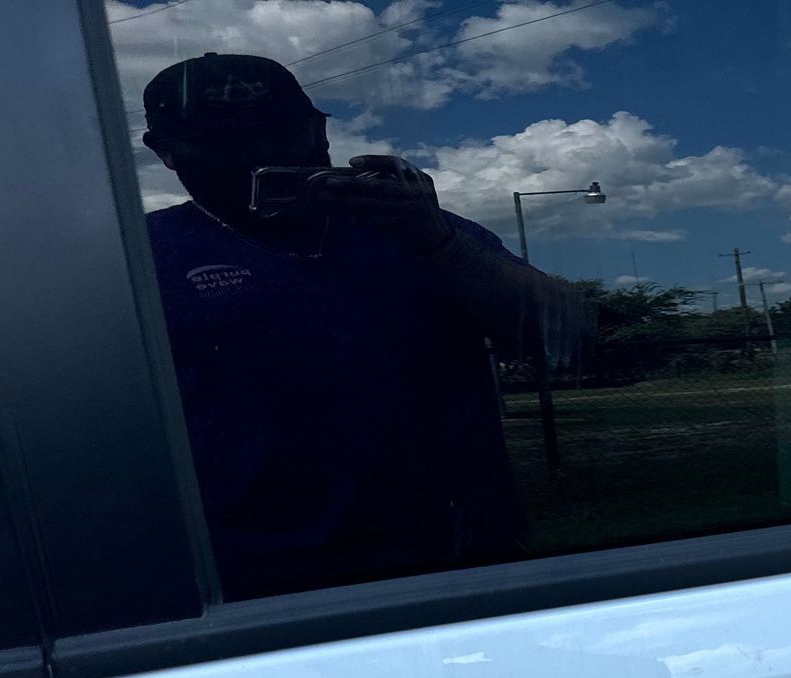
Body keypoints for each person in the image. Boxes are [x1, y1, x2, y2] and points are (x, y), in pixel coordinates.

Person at [141, 53, 572, 598]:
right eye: (226, 142)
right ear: (165, 153)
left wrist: (437, 242)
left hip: (458, 559)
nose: (263, 154)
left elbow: (563, 334)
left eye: (284, 132)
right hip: (248, 578)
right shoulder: (142, 253)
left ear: (321, 133)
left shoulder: (411, 226)